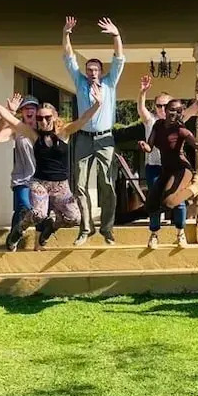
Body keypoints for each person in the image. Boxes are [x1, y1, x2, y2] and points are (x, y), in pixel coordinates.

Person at [0, 78, 103, 249]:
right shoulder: (33, 135)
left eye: (47, 117)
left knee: (74, 218)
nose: (43, 121)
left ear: (54, 117)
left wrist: (97, 104)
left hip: (61, 185)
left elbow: (84, 119)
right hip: (39, 182)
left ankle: (51, 227)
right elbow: (9, 118)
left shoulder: (64, 132)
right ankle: (20, 229)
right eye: (40, 118)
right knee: (39, 214)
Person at [63, 15, 125, 246]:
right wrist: (66, 33)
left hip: (105, 138)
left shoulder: (109, 83)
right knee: (79, 184)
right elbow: (69, 57)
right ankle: (86, 229)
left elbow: (119, 58)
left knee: (107, 183)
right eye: (89, 69)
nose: (92, 72)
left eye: (95, 69)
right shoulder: (80, 82)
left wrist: (116, 35)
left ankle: (107, 229)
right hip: (83, 138)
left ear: (101, 71)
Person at [138, 98, 198, 249]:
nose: (174, 114)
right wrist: (144, 146)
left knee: (170, 202)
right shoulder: (158, 125)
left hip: (182, 170)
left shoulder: (181, 130)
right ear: (165, 110)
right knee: (151, 203)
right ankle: (154, 235)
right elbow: (150, 147)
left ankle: (197, 187)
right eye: (171, 110)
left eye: (178, 111)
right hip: (166, 170)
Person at [137, 75, 198, 226]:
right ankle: (154, 232)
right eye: (159, 105)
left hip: (176, 167)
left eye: (165, 106)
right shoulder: (151, 121)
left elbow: (196, 106)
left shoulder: (179, 120)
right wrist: (142, 92)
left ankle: (180, 231)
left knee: (176, 201)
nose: (162, 109)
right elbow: (141, 108)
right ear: (155, 107)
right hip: (155, 167)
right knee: (154, 203)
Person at [0, 93, 41, 252]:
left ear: (37, 111)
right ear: (21, 112)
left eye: (32, 107)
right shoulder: (16, 129)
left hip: (41, 180)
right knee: (24, 208)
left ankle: (37, 244)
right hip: (22, 179)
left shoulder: (44, 129)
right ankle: (14, 239)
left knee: (40, 212)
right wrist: (9, 112)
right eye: (26, 108)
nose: (29, 111)